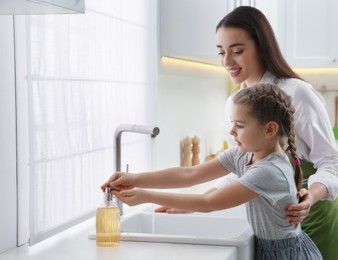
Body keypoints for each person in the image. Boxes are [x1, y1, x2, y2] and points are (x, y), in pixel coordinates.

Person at [156, 6, 338, 259]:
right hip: (277, 222)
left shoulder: (298, 92)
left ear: (262, 46)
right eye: (221, 52)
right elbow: (245, 166)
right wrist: (196, 201)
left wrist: (311, 197)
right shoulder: (234, 103)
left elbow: (332, 161)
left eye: (238, 51)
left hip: (318, 215)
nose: (227, 62)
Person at [102, 83, 323, 259]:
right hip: (267, 249)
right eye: (232, 123)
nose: (232, 131)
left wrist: (145, 196)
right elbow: (190, 174)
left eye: (240, 125)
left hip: (285, 255)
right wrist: (135, 178)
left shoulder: (270, 170)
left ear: (269, 129)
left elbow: (208, 203)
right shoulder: (243, 154)